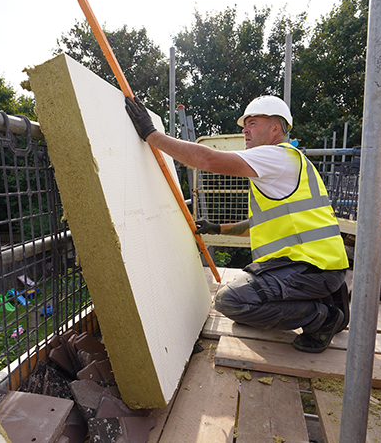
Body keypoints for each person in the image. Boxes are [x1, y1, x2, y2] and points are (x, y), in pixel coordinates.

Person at [125, 95, 350, 353]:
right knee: (245, 293)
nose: (244, 129)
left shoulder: (275, 156)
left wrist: (151, 135)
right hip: (320, 267)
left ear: (275, 128)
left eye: (252, 123)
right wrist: (217, 229)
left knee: (231, 301)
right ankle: (327, 298)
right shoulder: (292, 161)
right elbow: (260, 224)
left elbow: (208, 160)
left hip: (310, 269)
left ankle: (322, 317)